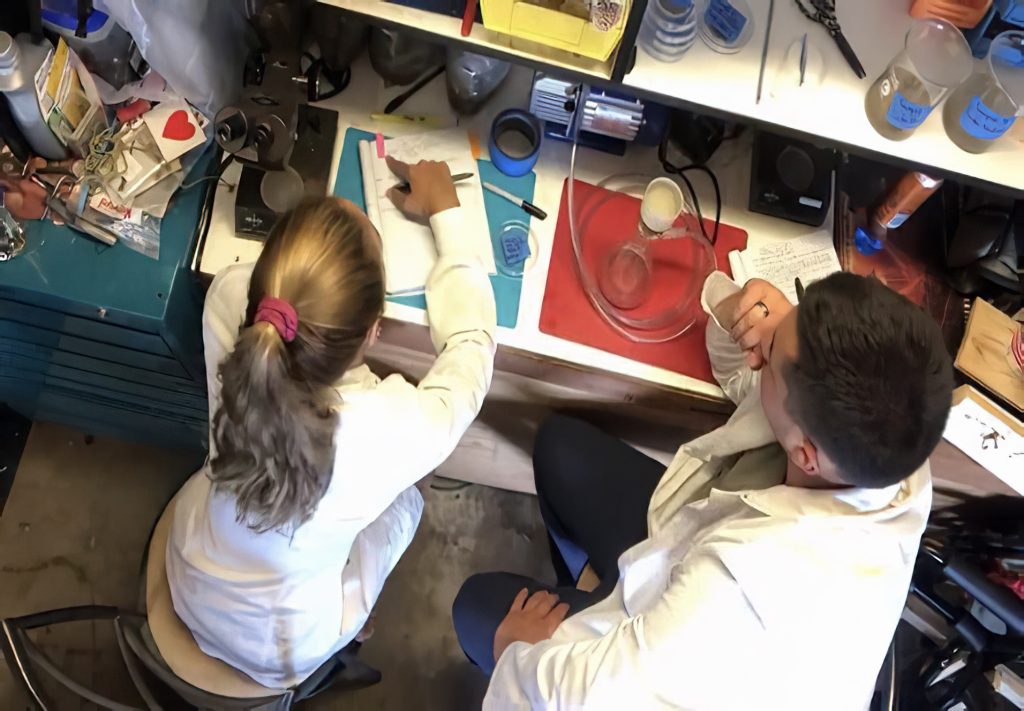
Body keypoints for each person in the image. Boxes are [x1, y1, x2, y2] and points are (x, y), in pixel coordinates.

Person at [452, 271, 954, 710]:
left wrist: (525, 652)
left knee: (479, 610)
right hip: (679, 554)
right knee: (559, 446)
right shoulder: (889, 436)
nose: (774, 330)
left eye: (776, 345)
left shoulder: (738, 594)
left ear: (805, 454)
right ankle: (589, 586)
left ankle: (583, 607)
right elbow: (746, 377)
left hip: (675, 646)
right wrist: (747, 313)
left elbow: (586, 696)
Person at [166, 158, 496, 688]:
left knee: (372, 497)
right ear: (373, 332)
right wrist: (447, 217)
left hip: (193, 579)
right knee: (410, 495)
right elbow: (471, 350)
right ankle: (353, 620)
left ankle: (348, 599)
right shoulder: (383, 427)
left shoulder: (230, 299)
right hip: (280, 650)